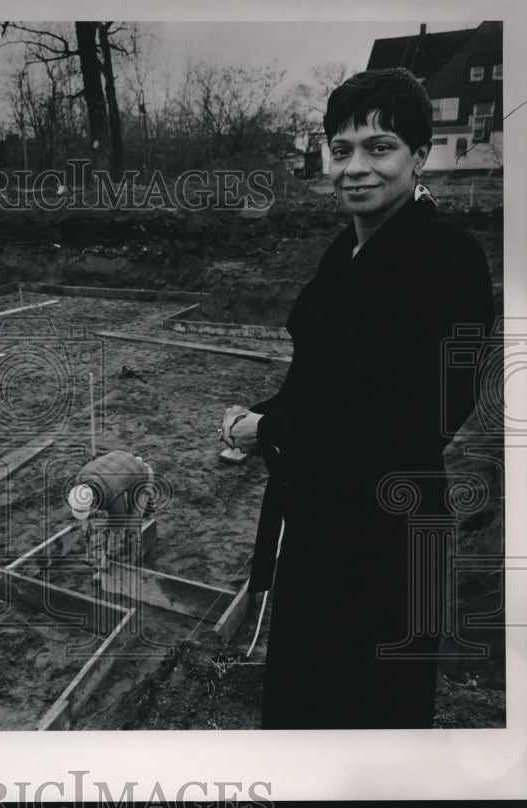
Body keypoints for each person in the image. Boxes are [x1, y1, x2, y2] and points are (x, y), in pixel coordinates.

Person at [220, 68, 495, 729]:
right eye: (341, 150)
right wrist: (255, 414)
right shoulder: (341, 252)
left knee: (374, 720)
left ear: (419, 157)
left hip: (391, 533)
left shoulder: (448, 260)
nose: (355, 168)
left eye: (380, 147)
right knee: (304, 710)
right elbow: (318, 379)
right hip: (318, 523)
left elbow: (410, 420)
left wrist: (273, 428)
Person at [67, 450, 156, 567]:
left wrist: (108, 557)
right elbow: (88, 520)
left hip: (142, 475)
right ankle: (148, 507)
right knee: (98, 523)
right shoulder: (79, 482)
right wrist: (86, 532)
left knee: (131, 527)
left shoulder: (113, 497)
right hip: (120, 462)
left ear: (93, 501)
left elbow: (117, 530)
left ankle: (127, 563)